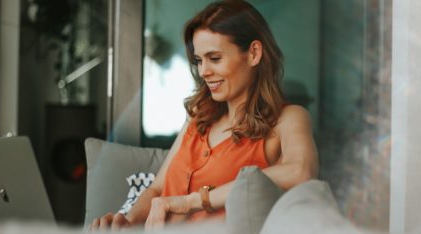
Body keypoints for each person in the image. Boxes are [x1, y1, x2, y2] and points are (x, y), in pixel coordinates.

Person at [91, 0, 318, 231]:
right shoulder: (199, 115)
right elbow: (158, 189)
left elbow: (301, 172)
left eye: (215, 58)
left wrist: (194, 201)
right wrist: (125, 222)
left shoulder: (288, 119)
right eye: (199, 60)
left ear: (253, 53)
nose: (203, 72)